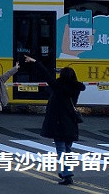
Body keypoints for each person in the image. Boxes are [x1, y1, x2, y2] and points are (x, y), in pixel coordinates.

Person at [24, 55, 86, 186]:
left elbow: (46, 75)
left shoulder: (58, 87)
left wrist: (36, 62)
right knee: (68, 151)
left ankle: (67, 174)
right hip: (71, 123)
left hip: (59, 123)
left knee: (61, 150)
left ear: (62, 76)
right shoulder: (76, 89)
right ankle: (65, 171)